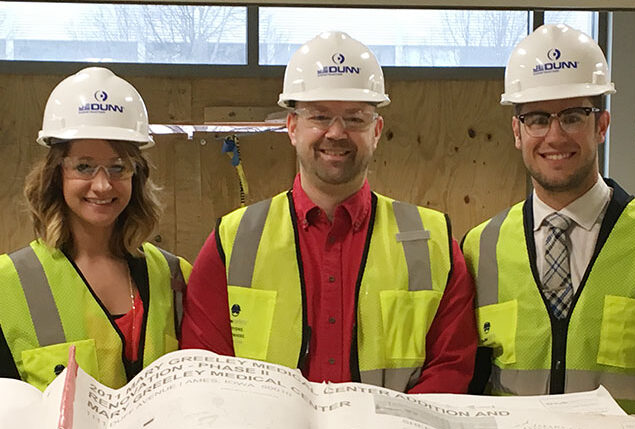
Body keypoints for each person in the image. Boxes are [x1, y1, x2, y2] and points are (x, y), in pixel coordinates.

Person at [181, 31, 477, 393]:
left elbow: (451, 366)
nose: (336, 133)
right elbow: (206, 369)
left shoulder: (434, 244)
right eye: (320, 116)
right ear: (292, 127)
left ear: (377, 130)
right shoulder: (232, 241)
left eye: (355, 118)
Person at [461, 24, 635, 412]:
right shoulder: (480, 247)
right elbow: (471, 388)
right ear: (517, 131)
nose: (554, 136)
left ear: (601, 124)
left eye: (573, 116)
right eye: (536, 118)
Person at [0, 66, 190, 389]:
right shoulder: (1, 286)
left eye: (118, 167)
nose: (102, 185)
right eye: (84, 166)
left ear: (136, 175)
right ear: (57, 173)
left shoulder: (174, 278)